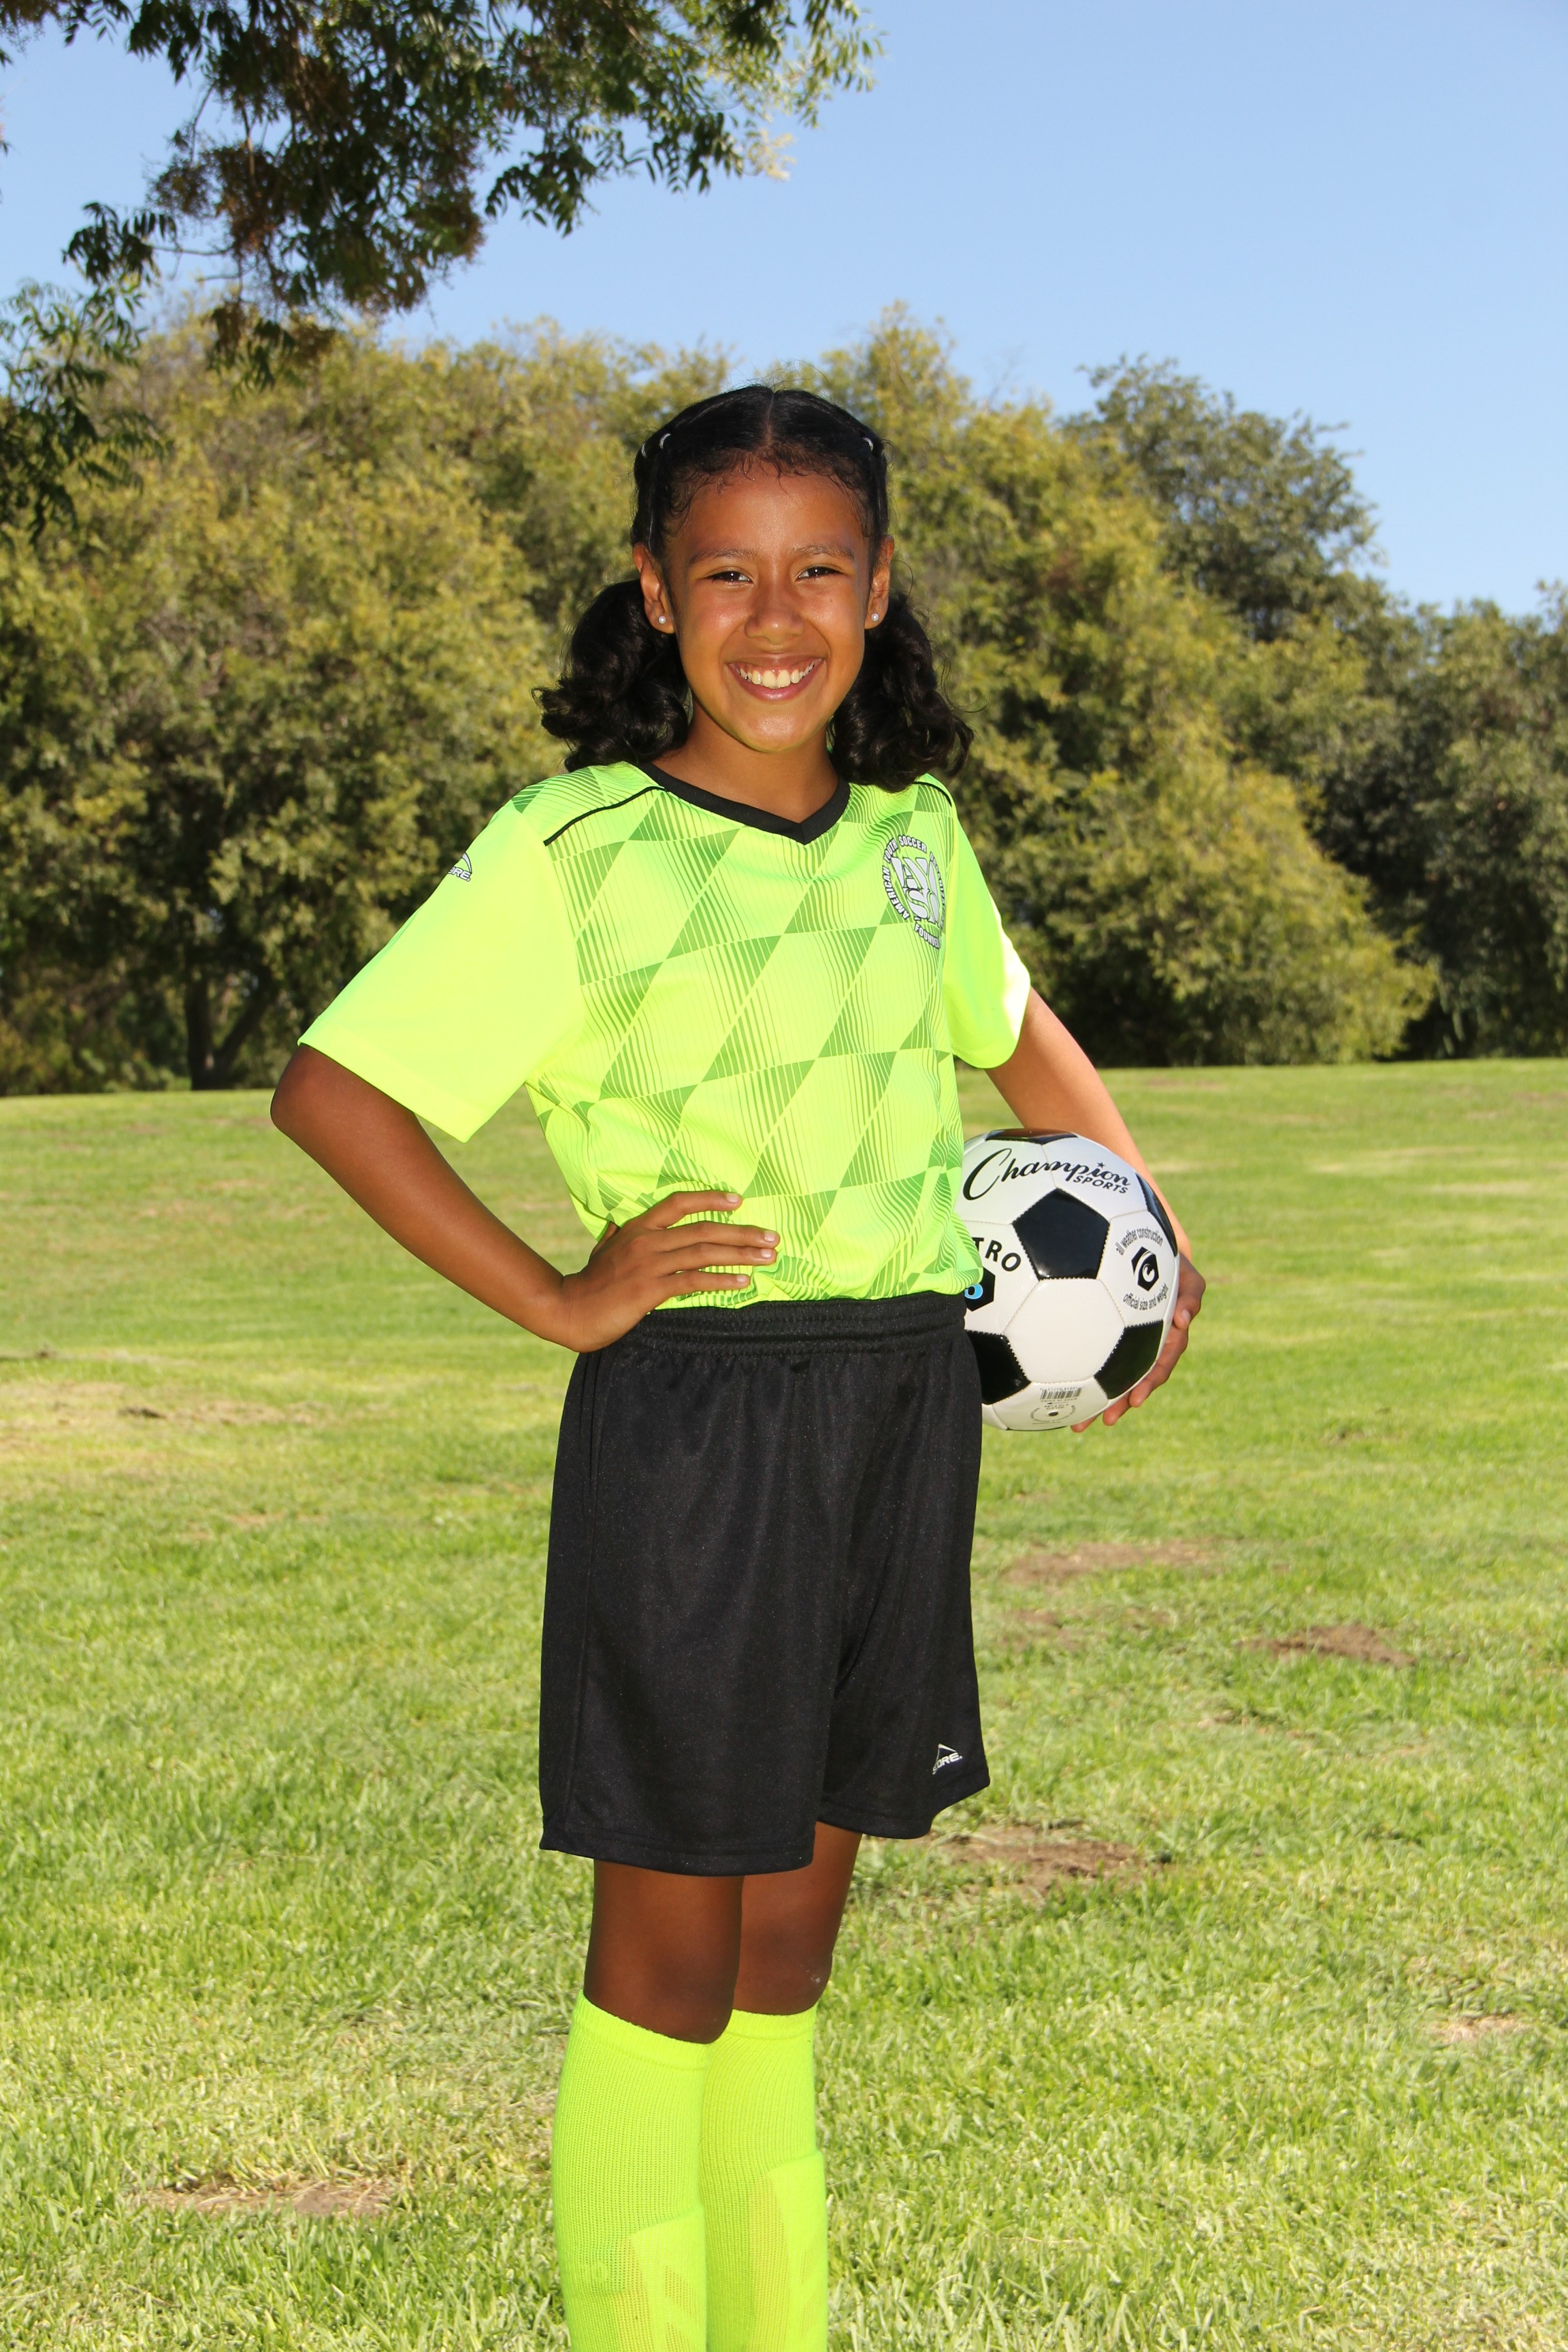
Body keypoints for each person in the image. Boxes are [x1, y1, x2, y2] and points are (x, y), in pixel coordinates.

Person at [272, 385, 1204, 2352]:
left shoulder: (914, 842)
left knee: (787, 1958)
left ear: (878, 589)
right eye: (726, 575)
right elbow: (335, 1092)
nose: (775, 621)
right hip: (701, 1433)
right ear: (653, 591)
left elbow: (1014, 1032)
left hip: (900, 1413)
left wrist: (1146, 1227)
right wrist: (563, 1295)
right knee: (671, 1967)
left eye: (818, 573)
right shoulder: (572, 850)